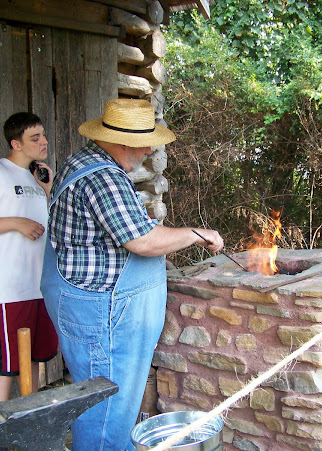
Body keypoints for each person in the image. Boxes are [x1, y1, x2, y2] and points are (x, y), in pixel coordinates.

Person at [41, 98, 224, 450]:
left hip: (89, 302)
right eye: (146, 143)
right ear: (126, 141)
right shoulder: (103, 177)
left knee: (106, 407)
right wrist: (196, 234)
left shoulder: (84, 160)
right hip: (101, 315)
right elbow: (141, 240)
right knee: (107, 412)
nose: (149, 150)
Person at [0, 112, 59, 408]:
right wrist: (16, 222)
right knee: (6, 362)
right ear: (15, 143)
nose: (43, 142)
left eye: (43, 135)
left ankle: (31, 420)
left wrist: (49, 189)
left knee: (32, 357)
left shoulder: (36, 177)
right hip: (9, 286)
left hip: (40, 284)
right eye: (35, 138)